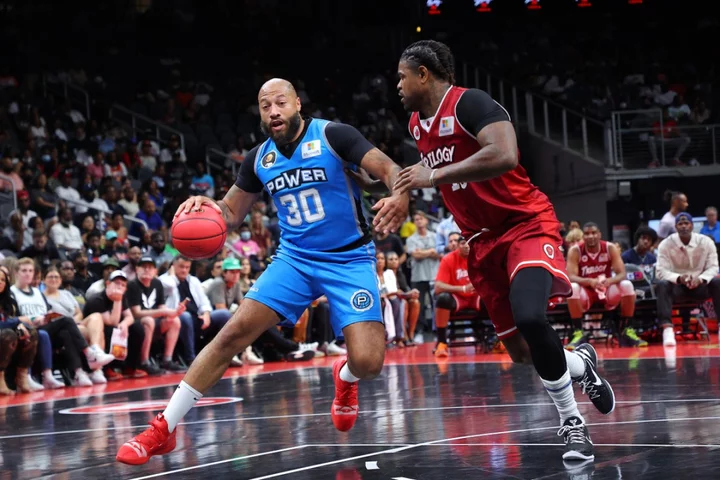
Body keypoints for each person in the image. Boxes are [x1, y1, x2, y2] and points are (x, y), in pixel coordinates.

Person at [116, 78, 408, 465]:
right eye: (265, 105)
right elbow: (231, 212)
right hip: (295, 259)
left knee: (369, 362)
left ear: (298, 105)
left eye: (280, 103)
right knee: (230, 335)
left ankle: (346, 378)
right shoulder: (259, 158)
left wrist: (399, 193)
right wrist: (209, 206)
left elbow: (388, 168)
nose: (273, 111)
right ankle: (163, 429)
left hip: (349, 259)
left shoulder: (335, 135)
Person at [388, 40, 613, 461]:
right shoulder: (418, 125)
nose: (396, 85)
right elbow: (430, 178)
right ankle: (580, 362)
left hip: (525, 224)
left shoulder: (470, 103)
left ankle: (572, 424)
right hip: (481, 243)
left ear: (423, 74)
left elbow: (505, 155)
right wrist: (400, 190)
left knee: (531, 316)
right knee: (525, 352)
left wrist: (433, 174)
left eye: (401, 76)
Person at [565, 223, 640, 348]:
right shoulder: (575, 250)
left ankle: (627, 329)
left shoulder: (609, 248)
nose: (591, 236)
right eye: (587, 234)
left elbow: (621, 274)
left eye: (594, 233)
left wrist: (610, 281)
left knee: (627, 285)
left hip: (606, 290)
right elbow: (570, 276)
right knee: (573, 288)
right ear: (583, 236)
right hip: (586, 291)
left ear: (599, 234)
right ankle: (578, 331)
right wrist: (590, 281)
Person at [656, 213, 720, 347]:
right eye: (680, 224)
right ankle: (667, 329)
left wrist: (701, 279)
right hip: (677, 288)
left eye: (686, 223)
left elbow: (713, 267)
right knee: (662, 284)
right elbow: (660, 272)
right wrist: (679, 278)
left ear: (692, 225)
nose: (684, 226)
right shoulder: (665, 244)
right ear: (675, 227)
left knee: (717, 282)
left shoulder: (706, 242)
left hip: (700, 287)